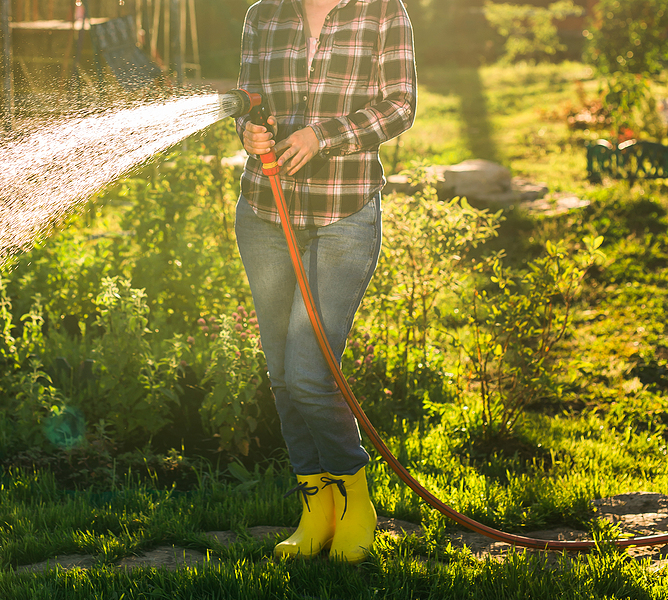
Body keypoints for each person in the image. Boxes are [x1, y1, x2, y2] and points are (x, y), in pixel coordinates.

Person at [233, 0, 417, 563]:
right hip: (266, 214)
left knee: (311, 373)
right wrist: (248, 130)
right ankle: (316, 508)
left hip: (344, 215)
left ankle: (356, 500)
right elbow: (249, 99)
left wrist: (324, 135)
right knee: (283, 377)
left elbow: (400, 107)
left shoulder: (383, 12)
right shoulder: (263, 14)